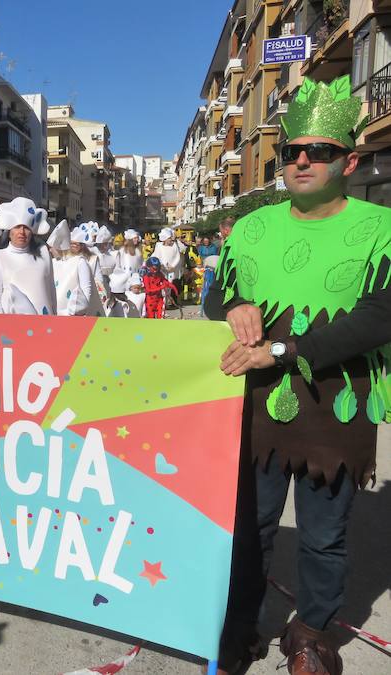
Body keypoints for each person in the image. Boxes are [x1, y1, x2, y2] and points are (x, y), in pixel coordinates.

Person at [206, 75, 391, 675]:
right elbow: (218, 295)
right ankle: (238, 625)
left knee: (322, 535)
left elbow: (380, 314)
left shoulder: (381, 227)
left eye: (322, 151)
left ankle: (311, 632)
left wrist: (281, 351)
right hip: (255, 401)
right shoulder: (254, 226)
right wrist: (230, 304)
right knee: (248, 528)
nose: (304, 160)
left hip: (337, 401)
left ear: (350, 160)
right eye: (293, 152)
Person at [0, 197, 55, 315]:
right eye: (17, 227)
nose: (21, 232)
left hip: (46, 325)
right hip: (13, 327)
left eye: (26, 228)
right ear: (9, 231)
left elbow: (51, 290)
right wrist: (0, 326)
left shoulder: (43, 254)